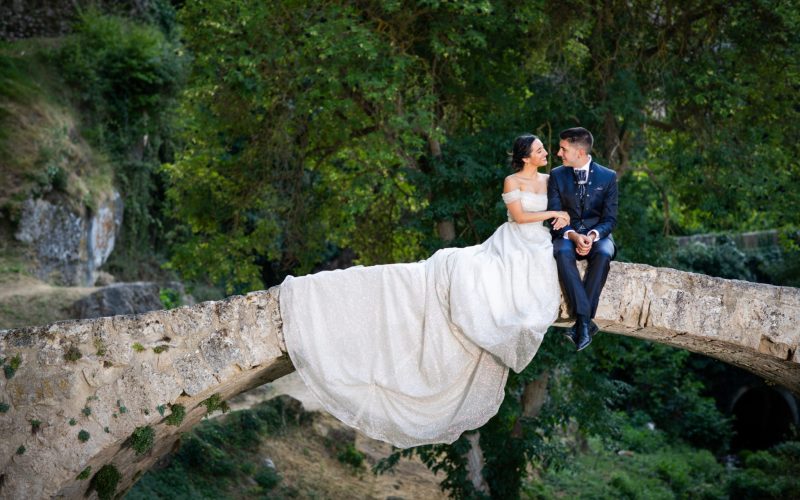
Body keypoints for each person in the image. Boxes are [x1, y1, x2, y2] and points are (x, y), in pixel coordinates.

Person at [279, 134, 567, 448]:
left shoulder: (552, 179)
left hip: (537, 243)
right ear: (526, 156)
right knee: (478, 275)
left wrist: (567, 220)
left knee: (540, 283)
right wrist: (552, 214)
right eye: (539, 149)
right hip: (513, 240)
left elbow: (570, 204)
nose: (545, 152)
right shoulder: (512, 182)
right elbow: (522, 217)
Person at [546, 127, 618, 351]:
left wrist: (593, 235)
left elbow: (610, 219)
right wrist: (574, 235)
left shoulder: (608, 176)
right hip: (567, 233)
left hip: (598, 234)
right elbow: (554, 215)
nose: (559, 153)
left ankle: (581, 322)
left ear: (579, 152)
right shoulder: (557, 175)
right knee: (562, 252)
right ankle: (585, 322)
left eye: (563, 149)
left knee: (605, 253)